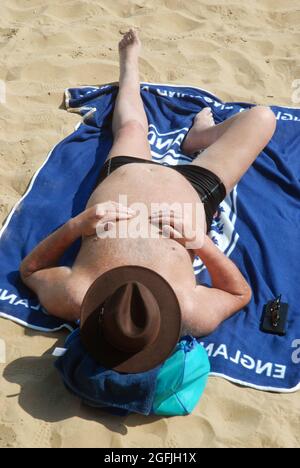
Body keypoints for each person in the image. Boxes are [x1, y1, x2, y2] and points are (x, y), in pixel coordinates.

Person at [20, 29, 276, 340]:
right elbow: (239, 294)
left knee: (131, 127)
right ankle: (200, 137)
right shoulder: (188, 312)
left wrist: (77, 225)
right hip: (194, 193)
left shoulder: (77, 296)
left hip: (125, 177)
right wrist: (199, 241)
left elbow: (30, 270)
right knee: (262, 118)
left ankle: (129, 65)